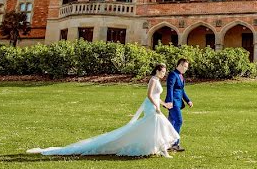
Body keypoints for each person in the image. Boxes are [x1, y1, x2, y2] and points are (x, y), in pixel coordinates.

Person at [27, 63, 179, 158]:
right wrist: (157, 107)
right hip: (151, 106)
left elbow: (156, 95)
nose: (164, 73)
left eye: (164, 71)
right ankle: (162, 150)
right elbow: (149, 95)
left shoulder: (158, 80)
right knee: (158, 125)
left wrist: (164, 104)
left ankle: (160, 149)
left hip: (155, 106)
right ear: (158, 70)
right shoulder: (153, 80)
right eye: (163, 71)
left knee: (155, 127)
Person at [165, 58, 193, 152]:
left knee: (171, 123)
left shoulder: (180, 75)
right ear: (180, 65)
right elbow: (170, 88)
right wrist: (169, 101)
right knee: (179, 121)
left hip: (178, 102)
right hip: (173, 103)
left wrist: (188, 100)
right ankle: (175, 144)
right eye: (185, 66)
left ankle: (168, 143)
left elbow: (182, 90)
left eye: (187, 67)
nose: (186, 69)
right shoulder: (173, 74)